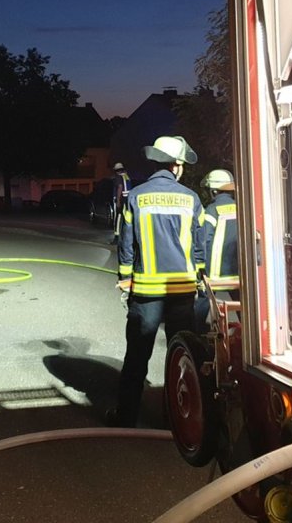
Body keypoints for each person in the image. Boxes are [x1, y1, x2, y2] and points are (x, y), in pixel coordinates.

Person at [108, 136, 204, 428]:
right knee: (183, 358)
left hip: (146, 292)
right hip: (182, 290)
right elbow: (198, 247)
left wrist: (125, 278)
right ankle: (178, 420)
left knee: (137, 358)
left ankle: (126, 418)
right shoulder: (191, 199)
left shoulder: (136, 197)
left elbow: (126, 244)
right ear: (175, 166)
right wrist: (199, 278)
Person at [194, 169, 239, 332]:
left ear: (213, 191)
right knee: (242, 306)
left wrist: (199, 267)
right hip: (239, 273)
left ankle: (196, 333)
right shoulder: (241, 207)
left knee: (203, 300)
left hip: (215, 273)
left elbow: (204, 240)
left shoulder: (212, 210)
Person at [110, 162, 131, 244]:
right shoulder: (126, 176)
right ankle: (126, 237)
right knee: (127, 218)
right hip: (127, 199)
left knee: (118, 218)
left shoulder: (118, 177)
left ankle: (117, 237)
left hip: (121, 199)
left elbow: (120, 187)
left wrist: (118, 201)